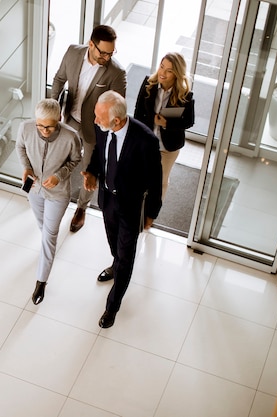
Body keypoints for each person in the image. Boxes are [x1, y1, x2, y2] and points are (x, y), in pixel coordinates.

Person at [82, 91, 162, 328]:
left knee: (126, 254)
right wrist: (92, 173)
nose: (95, 121)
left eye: (99, 117)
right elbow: (99, 154)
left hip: (130, 206)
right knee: (112, 241)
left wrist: (151, 214)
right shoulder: (102, 128)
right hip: (107, 199)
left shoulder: (146, 141)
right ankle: (116, 265)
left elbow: (155, 181)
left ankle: (112, 306)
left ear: (116, 120)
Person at [51, 24, 127, 233]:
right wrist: (53, 106)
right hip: (69, 118)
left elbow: (118, 107)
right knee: (59, 159)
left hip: (95, 129)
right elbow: (59, 79)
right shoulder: (73, 52)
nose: (107, 57)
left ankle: (82, 208)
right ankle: (55, 196)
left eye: (111, 53)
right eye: (103, 52)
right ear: (90, 44)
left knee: (89, 171)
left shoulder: (116, 72)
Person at [16, 99, 82, 305]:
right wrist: (26, 167)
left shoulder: (71, 136)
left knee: (49, 235)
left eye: (50, 126)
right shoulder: (25, 128)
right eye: (40, 125)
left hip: (58, 193)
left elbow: (75, 159)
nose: (44, 130)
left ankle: (41, 281)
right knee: (44, 228)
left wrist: (59, 176)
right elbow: (20, 147)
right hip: (34, 189)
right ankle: (48, 252)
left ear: (59, 120)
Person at [133, 52, 195, 199]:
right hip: (147, 142)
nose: (163, 73)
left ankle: (151, 214)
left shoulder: (185, 94)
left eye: (169, 71)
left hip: (168, 146)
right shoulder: (149, 83)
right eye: (162, 67)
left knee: (160, 181)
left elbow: (189, 122)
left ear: (177, 74)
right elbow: (138, 112)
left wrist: (166, 123)